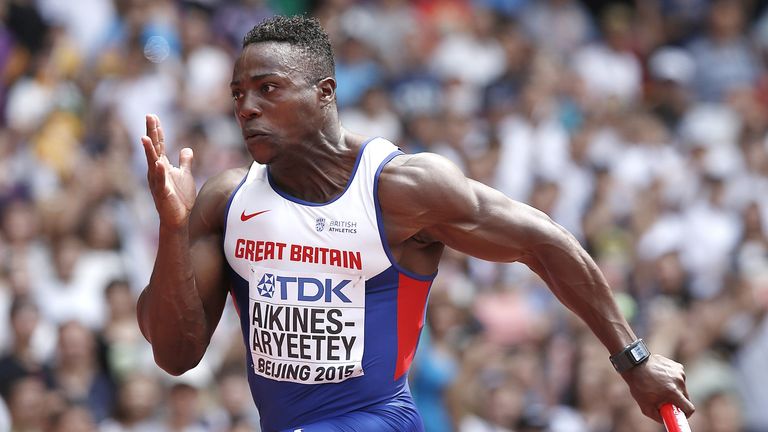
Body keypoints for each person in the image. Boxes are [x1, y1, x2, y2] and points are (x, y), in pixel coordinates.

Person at [137, 15, 694, 432]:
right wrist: (173, 228)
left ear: (325, 93)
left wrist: (633, 359)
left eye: (268, 88)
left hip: (377, 418)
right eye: (238, 94)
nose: (247, 107)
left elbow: (544, 241)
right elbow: (175, 354)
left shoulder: (401, 189)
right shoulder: (227, 201)